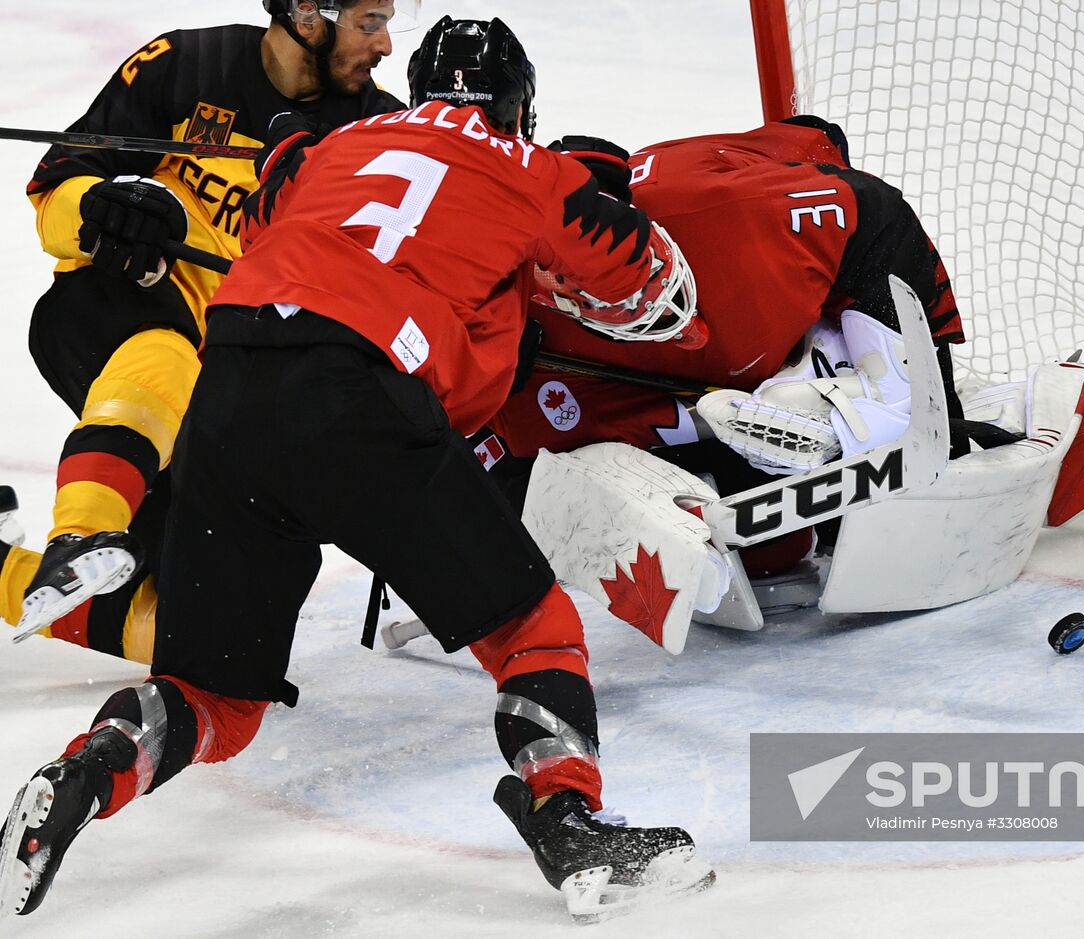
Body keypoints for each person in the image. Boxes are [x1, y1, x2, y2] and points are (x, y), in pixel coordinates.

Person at [0, 16, 712, 923]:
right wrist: (576, 248)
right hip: (359, 394)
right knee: (533, 624)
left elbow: (264, 209)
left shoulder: (336, 142)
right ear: (517, 108)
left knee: (214, 695)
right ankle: (566, 816)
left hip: (230, 382)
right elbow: (658, 289)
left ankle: (84, 774)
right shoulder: (534, 170)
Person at [0, 0, 412, 661]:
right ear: (306, 14)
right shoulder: (187, 66)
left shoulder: (380, 134)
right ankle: (81, 533)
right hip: (114, 320)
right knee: (165, 354)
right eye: (370, 22)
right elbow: (56, 189)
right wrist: (105, 212)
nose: (388, 43)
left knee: (216, 642)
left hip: (240, 404)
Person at [483, 120, 966, 568]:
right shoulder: (513, 339)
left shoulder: (735, 215)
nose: (665, 311)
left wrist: (915, 390)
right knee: (772, 551)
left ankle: (828, 366)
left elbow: (875, 209)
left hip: (755, 230)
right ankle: (811, 376)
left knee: (899, 409)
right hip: (632, 354)